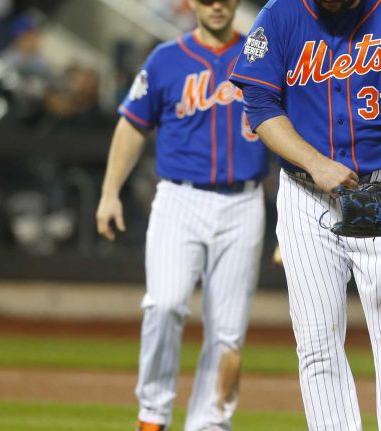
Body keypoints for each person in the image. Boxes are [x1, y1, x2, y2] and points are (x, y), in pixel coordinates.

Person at [230, 0, 381, 428]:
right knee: (316, 342)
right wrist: (315, 162)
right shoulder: (280, 13)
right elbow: (259, 104)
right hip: (305, 195)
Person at [95, 0, 268, 429]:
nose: (216, 5)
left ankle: (211, 423)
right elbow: (132, 124)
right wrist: (109, 191)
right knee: (165, 304)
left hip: (244, 202)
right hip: (179, 199)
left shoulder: (263, 57)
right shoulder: (166, 59)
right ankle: (152, 415)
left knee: (228, 333)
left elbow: (292, 130)